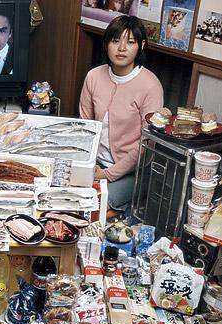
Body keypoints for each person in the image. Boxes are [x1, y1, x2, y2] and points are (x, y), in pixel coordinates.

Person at [80, 15, 163, 218]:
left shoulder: (150, 85)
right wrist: (88, 164)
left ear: (141, 45)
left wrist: (107, 174)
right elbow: (85, 126)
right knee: (69, 197)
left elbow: (146, 144)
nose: (122, 48)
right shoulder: (94, 76)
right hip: (95, 162)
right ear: (107, 44)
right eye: (116, 41)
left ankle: (121, 210)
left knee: (93, 207)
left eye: (130, 42)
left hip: (131, 171)